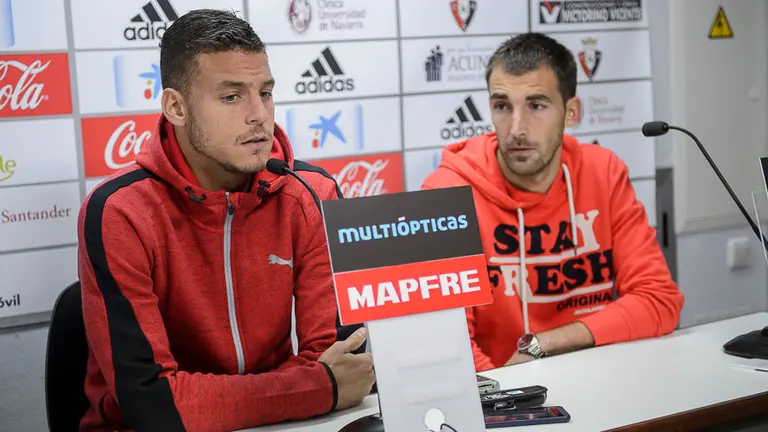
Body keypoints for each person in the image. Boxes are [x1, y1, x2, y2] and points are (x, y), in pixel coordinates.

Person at [77, 9, 374, 431]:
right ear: (176, 107)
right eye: (232, 96)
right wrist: (312, 388)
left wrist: (314, 386)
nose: (259, 115)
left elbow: (341, 364)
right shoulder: (121, 211)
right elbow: (153, 402)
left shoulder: (311, 192)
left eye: (265, 93)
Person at [421, 33, 685, 372]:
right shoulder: (446, 192)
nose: (517, 128)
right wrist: (512, 394)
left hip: (601, 378)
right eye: (502, 106)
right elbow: (450, 344)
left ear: (571, 112)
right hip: (504, 396)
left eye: (536, 105)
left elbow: (658, 300)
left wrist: (544, 344)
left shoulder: (603, 171)